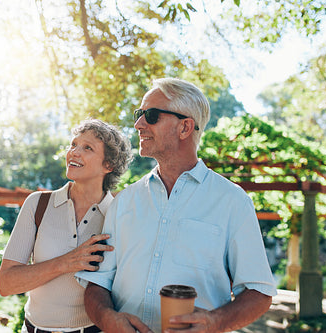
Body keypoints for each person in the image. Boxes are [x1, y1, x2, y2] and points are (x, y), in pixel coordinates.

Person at [76, 78, 277, 333]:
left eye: (151, 115)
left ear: (185, 127)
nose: (138, 124)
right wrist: (106, 317)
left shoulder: (233, 202)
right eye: (140, 114)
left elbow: (259, 292)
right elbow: (98, 284)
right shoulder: (124, 202)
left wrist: (216, 322)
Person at [0, 119, 132, 333]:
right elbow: (6, 284)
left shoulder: (119, 214)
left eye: (87, 148)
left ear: (109, 165)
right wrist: (66, 263)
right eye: (73, 145)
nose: (74, 152)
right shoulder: (38, 204)